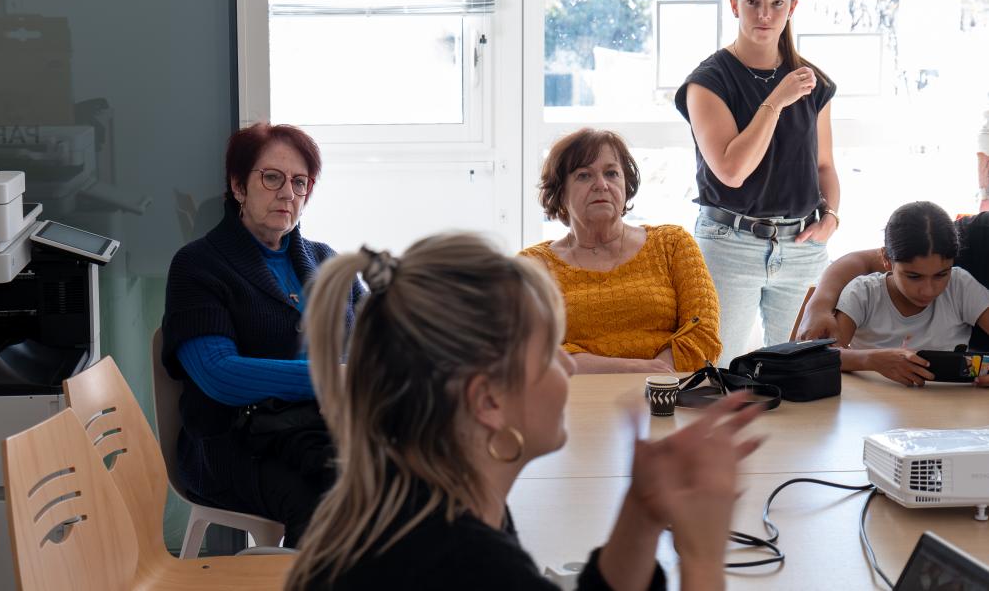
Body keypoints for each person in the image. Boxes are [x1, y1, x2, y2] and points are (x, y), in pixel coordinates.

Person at [285, 233, 763, 591]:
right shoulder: (468, 566)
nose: (569, 365)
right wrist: (701, 556)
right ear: (488, 401)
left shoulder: (423, 504)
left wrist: (641, 511)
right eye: (550, 353)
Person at [161, 122, 363, 547]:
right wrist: (330, 376)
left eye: (300, 182)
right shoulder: (198, 265)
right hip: (232, 443)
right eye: (272, 177)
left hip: (321, 433)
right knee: (330, 497)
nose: (288, 193)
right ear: (238, 186)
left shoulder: (326, 261)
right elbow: (219, 374)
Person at [674, 0, 839, 364]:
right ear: (734, 5)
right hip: (730, 245)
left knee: (802, 373)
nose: (764, 14)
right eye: (753, 2)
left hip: (802, 249)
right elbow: (732, 170)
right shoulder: (707, 82)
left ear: (792, 7)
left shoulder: (811, 82)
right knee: (715, 373)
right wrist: (777, 99)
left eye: (777, 3)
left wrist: (832, 216)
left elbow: (824, 166)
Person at [519, 128, 721, 373]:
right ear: (560, 193)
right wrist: (633, 369)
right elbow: (530, 351)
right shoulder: (532, 266)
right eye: (584, 175)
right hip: (576, 400)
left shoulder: (672, 243)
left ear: (626, 186)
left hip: (669, 395)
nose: (601, 185)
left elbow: (704, 331)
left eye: (612, 173)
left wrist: (655, 377)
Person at [805, 203, 989, 388]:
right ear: (886, 259)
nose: (928, 290)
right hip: (869, 407)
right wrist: (870, 360)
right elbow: (823, 355)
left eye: (941, 275)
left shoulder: (961, 286)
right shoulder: (863, 293)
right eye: (914, 277)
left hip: (949, 408)